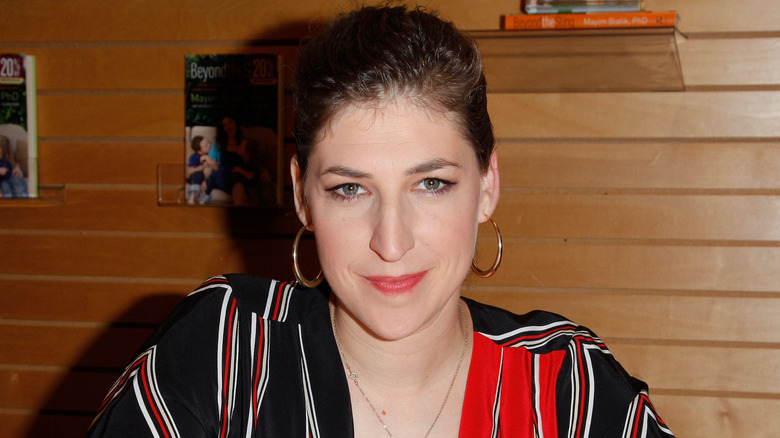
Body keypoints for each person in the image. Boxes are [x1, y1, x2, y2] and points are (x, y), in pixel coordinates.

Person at [86, 5, 674, 437]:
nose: (390, 242)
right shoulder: (226, 356)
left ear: (487, 184)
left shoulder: (569, 389)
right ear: (301, 195)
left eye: (432, 184)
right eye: (349, 189)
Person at [185, 135, 218, 204]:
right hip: (196, 178)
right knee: (198, 174)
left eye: (208, 143)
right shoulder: (195, 157)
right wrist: (202, 167)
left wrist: (207, 158)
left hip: (207, 178)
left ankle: (203, 199)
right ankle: (192, 197)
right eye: (206, 146)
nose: (209, 145)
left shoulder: (211, 155)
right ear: (199, 151)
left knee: (212, 180)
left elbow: (216, 168)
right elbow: (190, 171)